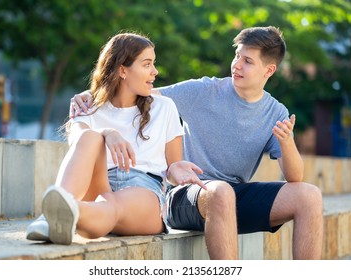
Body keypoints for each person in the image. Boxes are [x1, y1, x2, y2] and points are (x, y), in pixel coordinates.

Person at [69, 26, 324, 259]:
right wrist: (89, 96)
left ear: (269, 70)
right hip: (185, 193)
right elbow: (142, 91)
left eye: (247, 61)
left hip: (233, 195)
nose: (236, 65)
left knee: (309, 196)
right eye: (237, 56)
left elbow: (294, 176)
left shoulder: (275, 113)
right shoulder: (203, 90)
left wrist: (287, 142)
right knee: (220, 192)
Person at [26, 32, 205, 245]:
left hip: (144, 191)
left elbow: (173, 165)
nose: (155, 72)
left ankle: (66, 212)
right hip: (99, 183)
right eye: (147, 64)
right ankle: (55, 216)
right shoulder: (88, 106)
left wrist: (176, 170)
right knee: (90, 137)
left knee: (110, 206)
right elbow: (78, 139)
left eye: (153, 64)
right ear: (122, 70)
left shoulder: (164, 107)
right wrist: (107, 133)